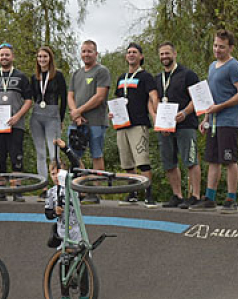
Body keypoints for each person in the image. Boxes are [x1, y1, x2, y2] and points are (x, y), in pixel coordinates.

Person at [191, 29, 238, 213]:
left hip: (229, 121)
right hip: (214, 121)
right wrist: (206, 117)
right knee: (212, 160)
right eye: (215, 45)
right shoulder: (212, 66)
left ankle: (231, 198)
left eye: (222, 47)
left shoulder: (233, 66)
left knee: (229, 160)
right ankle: (210, 197)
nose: (217, 49)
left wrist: (221, 107)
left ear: (230, 47)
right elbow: (212, 97)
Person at [154, 42, 202, 209]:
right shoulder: (157, 78)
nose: (164, 57)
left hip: (186, 124)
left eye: (167, 53)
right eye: (161, 54)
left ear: (175, 54)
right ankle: (177, 195)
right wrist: (160, 122)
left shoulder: (188, 74)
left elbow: (197, 98)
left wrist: (185, 113)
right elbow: (154, 102)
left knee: (190, 160)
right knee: (169, 162)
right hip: (166, 127)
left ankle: (195, 195)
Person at [0, 43, 32, 202]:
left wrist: (18, 116)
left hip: (15, 124)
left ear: (13, 56)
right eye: (2, 55)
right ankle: (0, 191)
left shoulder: (21, 77)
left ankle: (17, 190)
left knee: (16, 157)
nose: (4, 57)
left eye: (7, 55)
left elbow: (29, 100)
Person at [111, 43, 158, 208]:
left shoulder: (146, 77)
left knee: (142, 161)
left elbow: (153, 96)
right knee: (127, 163)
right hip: (122, 124)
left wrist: (157, 113)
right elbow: (117, 100)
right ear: (126, 56)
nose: (131, 54)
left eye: (134, 52)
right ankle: (132, 193)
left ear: (141, 56)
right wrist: (113, 113)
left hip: (139, 123)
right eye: (129, 52)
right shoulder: (121, 78)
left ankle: (148, 193)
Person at [45, 138, 89, 299]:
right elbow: (47, 213)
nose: (56, 177)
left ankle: (84, 295)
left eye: (59, 173)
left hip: (77, 232)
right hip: (62, 233)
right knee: (63, 264)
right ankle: (65, 296)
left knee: (83, 264)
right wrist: (54, 212)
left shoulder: (73, 186)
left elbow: (77, 166)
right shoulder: (50, 193)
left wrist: (65, 149)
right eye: (53, 174)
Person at [67, 40, 111, 204]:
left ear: (96, 53)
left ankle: (95, 190)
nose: (86, 54)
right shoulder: (76, 73)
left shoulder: (102, 71)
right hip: (77, 122)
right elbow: (70, 95)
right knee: (74, 155)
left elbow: (99, 97)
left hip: (96, 121)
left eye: (89, 51)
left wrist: (80, 110)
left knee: (96, 155)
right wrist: (76, 114)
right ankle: (82, 187)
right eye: (83, 51)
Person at [29, 46, 68, 181]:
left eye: (45, 56)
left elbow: (64, 98)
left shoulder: (58, 75)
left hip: (52, 115)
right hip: (36, 116)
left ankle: (58, 184)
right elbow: (33, 97)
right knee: (40, 153)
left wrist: (61, 119)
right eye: (39, 57)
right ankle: (43, 184)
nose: (42, 59)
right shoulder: (35, 77)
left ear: (50, 58)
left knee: (54, 153)